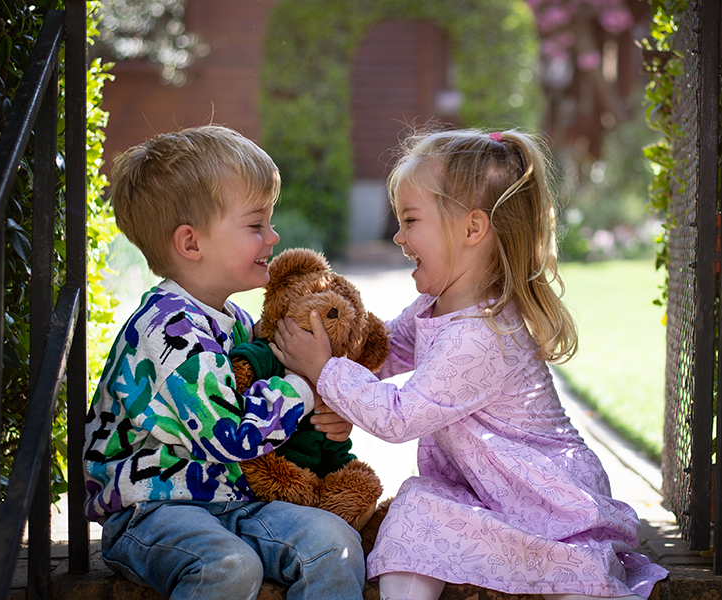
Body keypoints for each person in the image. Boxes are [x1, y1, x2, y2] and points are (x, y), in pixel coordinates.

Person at [274, 128, 669, 600]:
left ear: (472, 229)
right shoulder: (435, 309)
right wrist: (329, 369)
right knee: (415, 509)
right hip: (486, 492)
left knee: (571, 573)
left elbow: (399, 416)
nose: (398, 236)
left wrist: (326, 371)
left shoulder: (483, 334)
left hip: (545, 499)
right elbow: (380, 356)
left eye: (411, 219)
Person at [82, 125, 365, 600]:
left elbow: (267, 400)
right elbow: (231, 434)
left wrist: (324, 413)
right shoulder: (167, 330)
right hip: (152, 511)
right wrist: (304, 382)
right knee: (230, 567)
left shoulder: (234, 319)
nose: (273, 236)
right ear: (191, 244)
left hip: (235, 498)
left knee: (335, 544)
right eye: (256, 225)